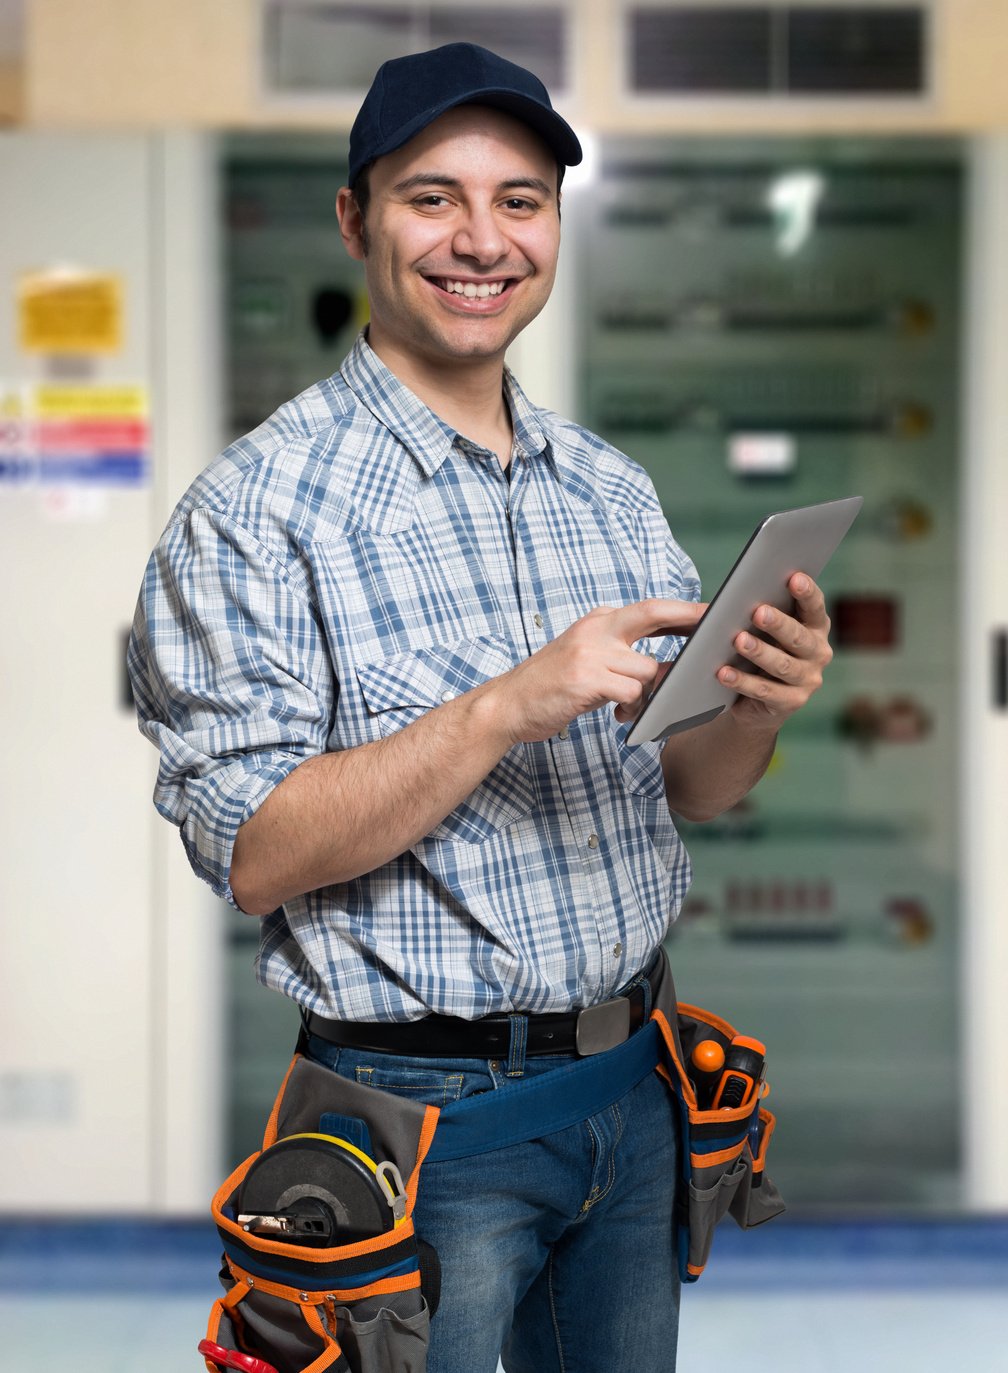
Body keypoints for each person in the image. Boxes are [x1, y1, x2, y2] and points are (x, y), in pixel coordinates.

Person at [128, 42, 834, 1373]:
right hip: (420, 1123)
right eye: (431, 197)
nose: (481, 239)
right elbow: (259, 851)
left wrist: (754, 707)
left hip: (633, 1091)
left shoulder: (608, 490)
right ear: (355, 217)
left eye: (520, 200)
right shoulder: (256, 512)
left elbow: (695, 784)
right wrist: (507, 704)